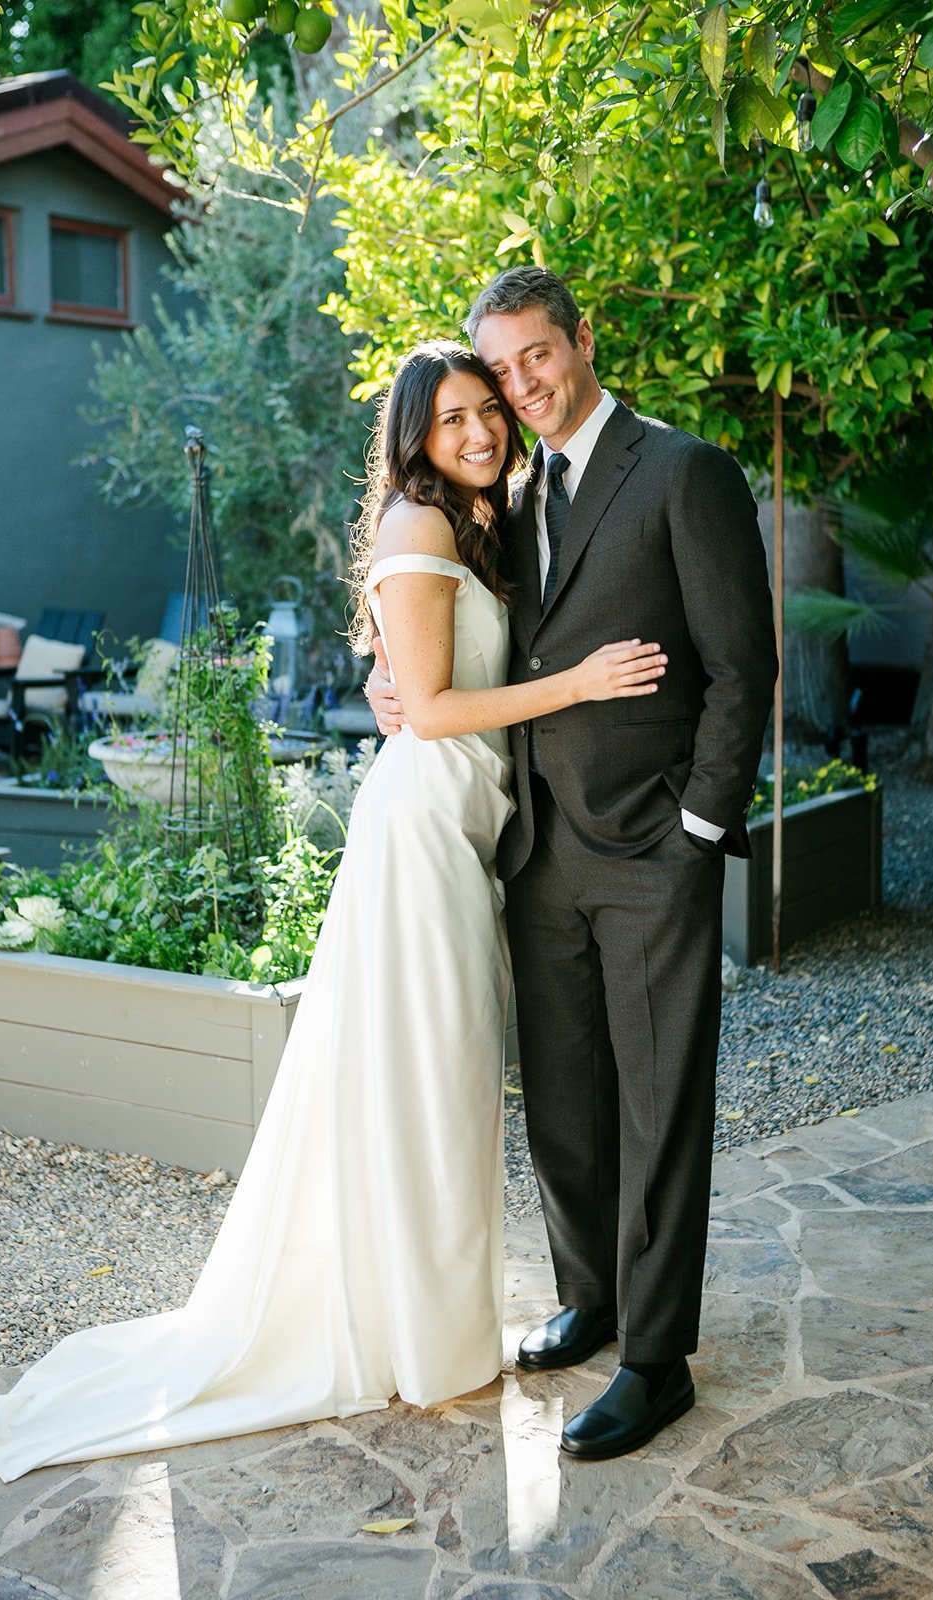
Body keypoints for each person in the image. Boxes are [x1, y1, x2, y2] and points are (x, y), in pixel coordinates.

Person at [0, 341, 666, 1484]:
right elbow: (431, 708)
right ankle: (423, 1339)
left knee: (439, 1076)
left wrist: (391, 680)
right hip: (421, 836)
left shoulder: (479, 521)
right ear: (414, 438)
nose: (478, 432)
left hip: (466, 829)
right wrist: (580, 681)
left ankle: (424, 1320)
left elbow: (416, 676)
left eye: (486, 410)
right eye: (449, 419)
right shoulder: (417, 522)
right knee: (431, 1074)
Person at [367, 271, 778, 1462]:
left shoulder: (683, 472)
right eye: (500, 371)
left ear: (581, 341)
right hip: (532, 843)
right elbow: (446, 632)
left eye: (536, 356)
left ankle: (654, 1357)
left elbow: (740, 665)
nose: (521, 386)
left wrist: (698, 826)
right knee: (562, 1097)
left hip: (652, 845)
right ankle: (587, 1295)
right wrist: (385, 681)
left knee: (657, 1106)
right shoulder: (502, 495)